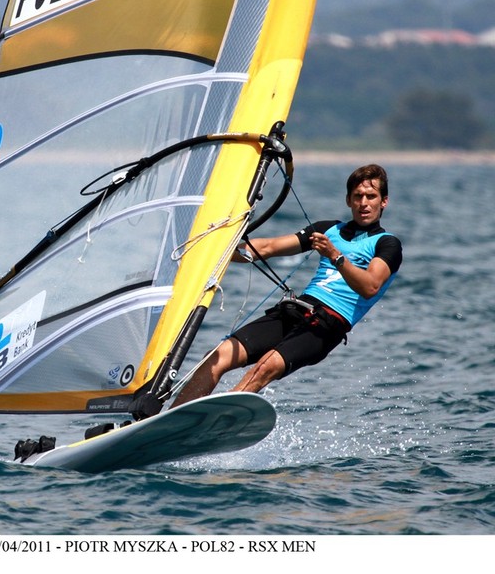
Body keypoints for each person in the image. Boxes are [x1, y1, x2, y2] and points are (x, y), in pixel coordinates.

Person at [171, 163, 402, 407]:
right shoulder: (327, 230)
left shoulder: (387, 244)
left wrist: (335, 256)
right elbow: (267, 248)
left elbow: (370, 287)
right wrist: (214, 249)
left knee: (264, 368)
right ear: (348, 200)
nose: (364, 203)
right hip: (295, 309)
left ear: (383, 201)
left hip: (328, 324)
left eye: (371, 196)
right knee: (218, 356)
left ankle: (213, 422)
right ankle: (168, 422)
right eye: (358, 196)